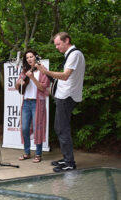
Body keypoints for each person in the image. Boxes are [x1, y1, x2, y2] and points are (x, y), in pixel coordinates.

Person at [36, 32, 85, 172]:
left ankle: (69, 163)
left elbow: (65, 76)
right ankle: (66, 159)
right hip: (63, 95)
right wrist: (45, 72)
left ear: (67, 40)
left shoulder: (75, 54)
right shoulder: (69, 54)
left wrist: (46, 71)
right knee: (60, 128)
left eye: (58, 44)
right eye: (56, 44)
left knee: (62, 129)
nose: (57, 47)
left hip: (67, 96)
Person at [15, 49, 50, 163]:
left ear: (36, 57)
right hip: (26, 103)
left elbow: (42, 88)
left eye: (31, 56)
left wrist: (33, 78)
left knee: (37, 128)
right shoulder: (24, 71)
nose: (29, 59)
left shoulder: (42, 70)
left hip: (37, 103)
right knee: (25, 128)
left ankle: (38, 154)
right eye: (27, 58)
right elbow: (17, 88)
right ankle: (27, 152)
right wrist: (19, 83)